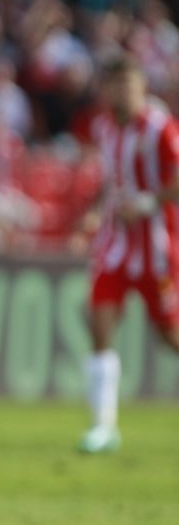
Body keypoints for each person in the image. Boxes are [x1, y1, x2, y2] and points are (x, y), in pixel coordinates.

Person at [75, 57, 179, 454]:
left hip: (157, 249)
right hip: (115, 245)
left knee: (170, 335)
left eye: (128, 86)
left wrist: (149, 202)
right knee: (99, 322)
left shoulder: (160, 128)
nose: (121, 93)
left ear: (141, 88)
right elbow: (111, 179)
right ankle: (103, 427)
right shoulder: (104, 128)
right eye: (114, 85)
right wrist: (92, 212)